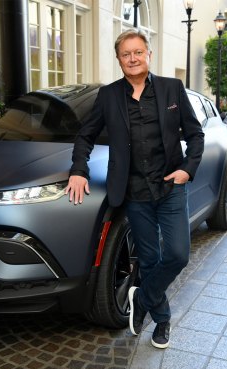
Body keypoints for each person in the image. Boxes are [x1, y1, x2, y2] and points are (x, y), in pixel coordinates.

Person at [64, 29, 204, 349]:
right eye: (126, 54)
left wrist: (187, 169)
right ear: (119, 59)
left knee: (178, 255)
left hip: (170, 186)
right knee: (150, 260)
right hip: (134, 192)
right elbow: (85, 136)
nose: (132, 58)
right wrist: (78, 171)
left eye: (138, 52)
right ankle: (163, 317)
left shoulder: (172, 89)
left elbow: (196, 135)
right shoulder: (109, 96)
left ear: (148, 55)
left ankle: (141, 298)